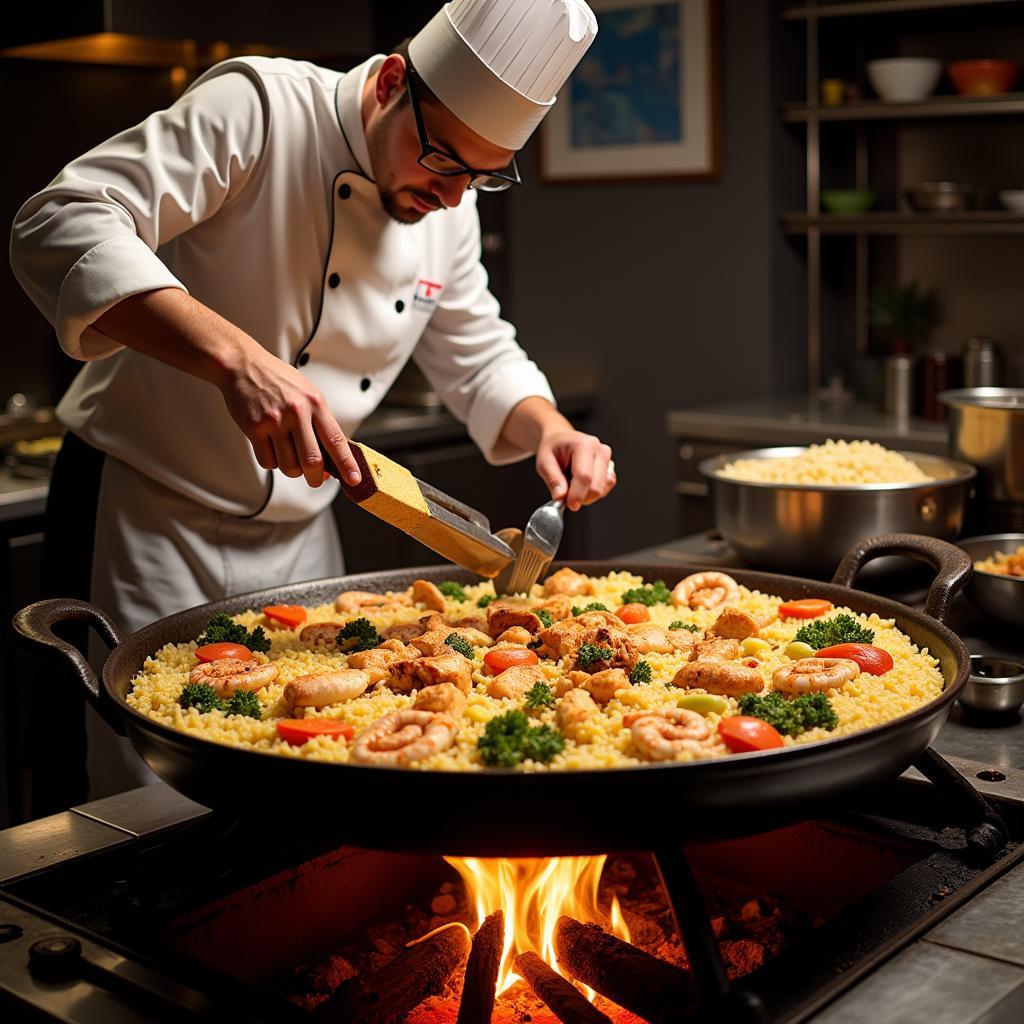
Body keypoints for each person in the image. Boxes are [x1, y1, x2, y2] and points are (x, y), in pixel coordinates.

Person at [10, 0, 615, 800]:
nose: (454, 196)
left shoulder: (447, 203)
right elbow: (59, 220)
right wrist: (236, 360)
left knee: (311, 775)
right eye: (443, 161)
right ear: (393, 82)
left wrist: (548, 426)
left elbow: (475, 351)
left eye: (482, 175)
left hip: (302, 542)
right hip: (148, 515)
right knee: (147, 793)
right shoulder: (261, 108)